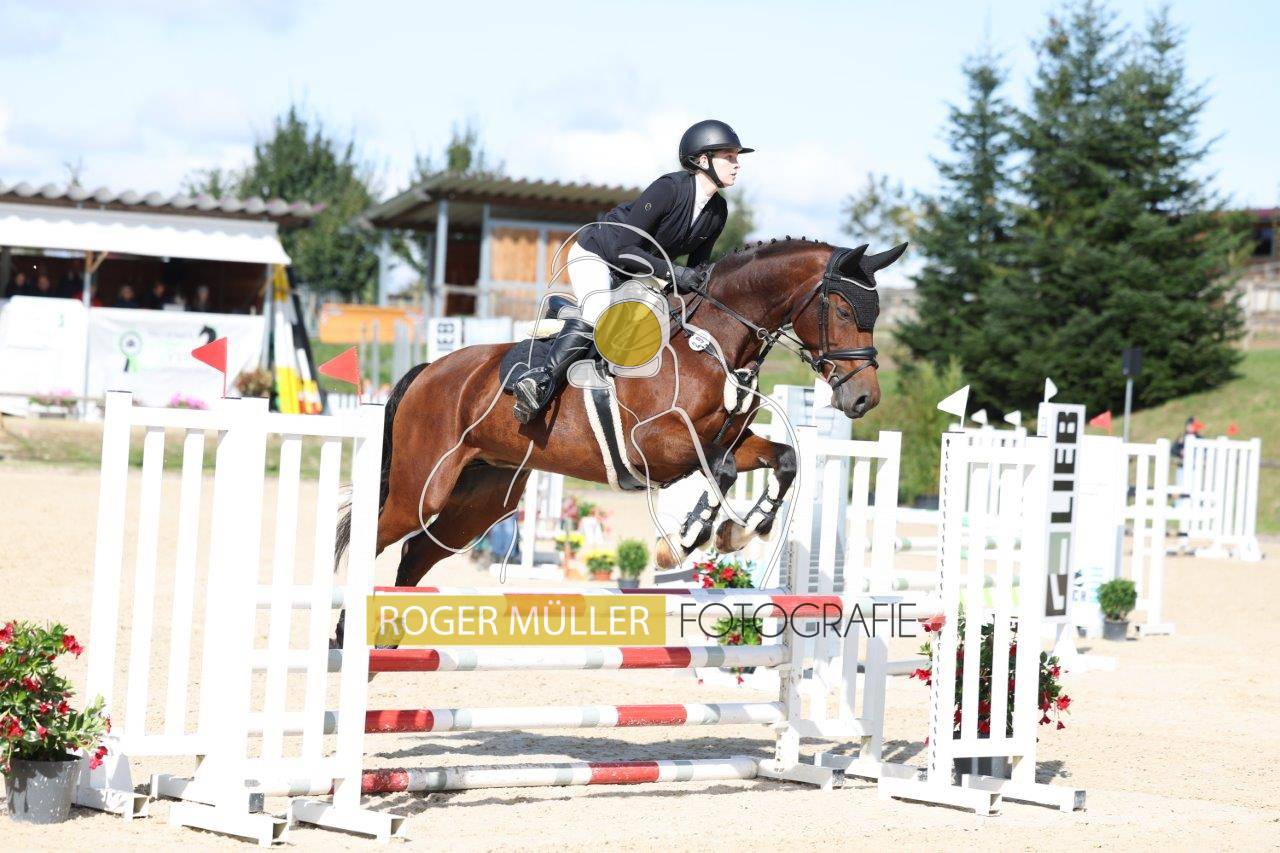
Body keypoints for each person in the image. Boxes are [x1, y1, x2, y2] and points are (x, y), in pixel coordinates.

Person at [511, 118, 752, 423]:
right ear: (703, 160)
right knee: (598, 313)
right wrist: (674, 273)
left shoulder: (718, 211)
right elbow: (625, 249)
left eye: (736, 157)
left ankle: (565, 312)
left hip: (639, 271)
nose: (736, 164)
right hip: (598, 253)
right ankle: (540, 382)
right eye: (729, 157)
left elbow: (696, 268)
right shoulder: (669, 189)